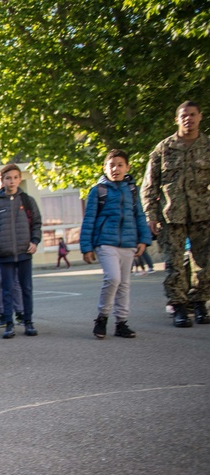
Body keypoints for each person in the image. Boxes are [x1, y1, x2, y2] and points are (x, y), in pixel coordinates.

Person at [141, 101, 210, 326]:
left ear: (200, 117)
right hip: (172, 216)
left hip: (204, 214)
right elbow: (149, 185)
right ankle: (179, 307)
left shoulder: (207, 146)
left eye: (192, 115)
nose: (188, 119)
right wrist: (151, 215)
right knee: (175, 263)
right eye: (183, 115)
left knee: (205, 262)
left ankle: (200, 303)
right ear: (176, 120)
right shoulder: (164, 149)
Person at [80, 149, 152, 339]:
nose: (116, 169)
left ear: (127, 167)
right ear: (105, 168)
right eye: (111, 165)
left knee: (124, 284)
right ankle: (102, 318)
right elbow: (89, 220)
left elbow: (139, 215)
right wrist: (86, 247)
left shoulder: (131, 190)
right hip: (105, 242)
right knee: (113, 279)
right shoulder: (98, 190)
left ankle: (121, 323)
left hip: (128, 243)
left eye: (120, 165)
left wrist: (144, 239)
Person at [0, 163, 42, 339]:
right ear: (2, 180)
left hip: (25, 252)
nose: (12, 181)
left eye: (15, 177)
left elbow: (37, 223)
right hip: (5, 254)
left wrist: (34, 241)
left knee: (26, 288)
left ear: (20, 179)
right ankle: (9, 324)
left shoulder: (27, 200)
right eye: (8, 178)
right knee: (6, 289)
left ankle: (28, 321)